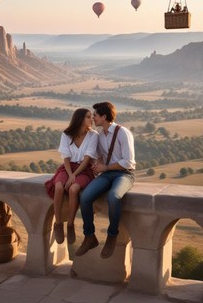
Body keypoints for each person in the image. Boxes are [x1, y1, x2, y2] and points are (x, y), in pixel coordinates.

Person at [75, 102, 136, 259]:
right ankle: (90, 237)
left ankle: (111, 236)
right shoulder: (100, 136)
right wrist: (96, 164)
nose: (93, 117)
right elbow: (98, 157)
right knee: (85, 197)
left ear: (104, 116)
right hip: (107, 174)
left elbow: (128, 161)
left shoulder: (123, 133)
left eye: (95, 115)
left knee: (113, 197)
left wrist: (105, 168)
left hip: (124, 174)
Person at [45, 108, 98, 245]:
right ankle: (58, 224)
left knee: (74, 189)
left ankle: (70, 225)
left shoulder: (93, 135)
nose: (91, 119)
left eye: (91, 116)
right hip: (67, 168)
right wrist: (69, 174)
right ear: (80, 119)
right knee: (58, 187)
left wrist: (74, 176)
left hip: (84, 170)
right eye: (88, 117)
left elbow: (87, 159)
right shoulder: (66, 134)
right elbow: (66, 158)